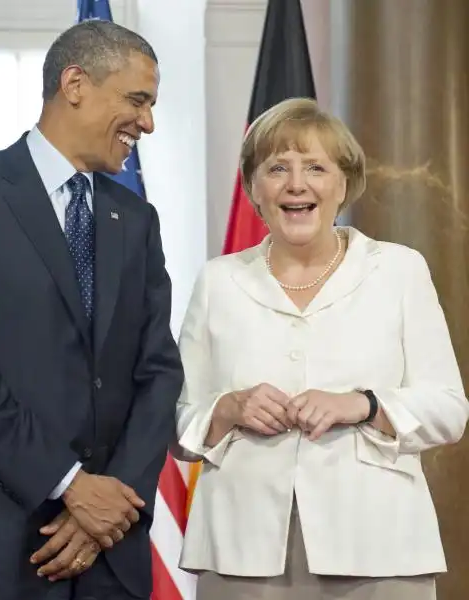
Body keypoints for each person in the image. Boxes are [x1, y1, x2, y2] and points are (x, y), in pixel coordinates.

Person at [0, 19, 183, 600]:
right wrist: (70, 484)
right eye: (138, 100)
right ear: (75, 83)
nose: (147, 123)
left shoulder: (136, 220)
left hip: (110, 551)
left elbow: (158, 372)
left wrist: (112, 503)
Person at [173, 97, 469, 600]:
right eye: (277, 169)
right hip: (242, 551)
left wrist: (364, 404)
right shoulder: (218, 281)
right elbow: (178, 423)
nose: (296, 184)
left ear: (344, 185)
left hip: (379, 547)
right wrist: (228, 407)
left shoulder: (398, 270)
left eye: (315, 167)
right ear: (253, 188)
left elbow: (449, 409)